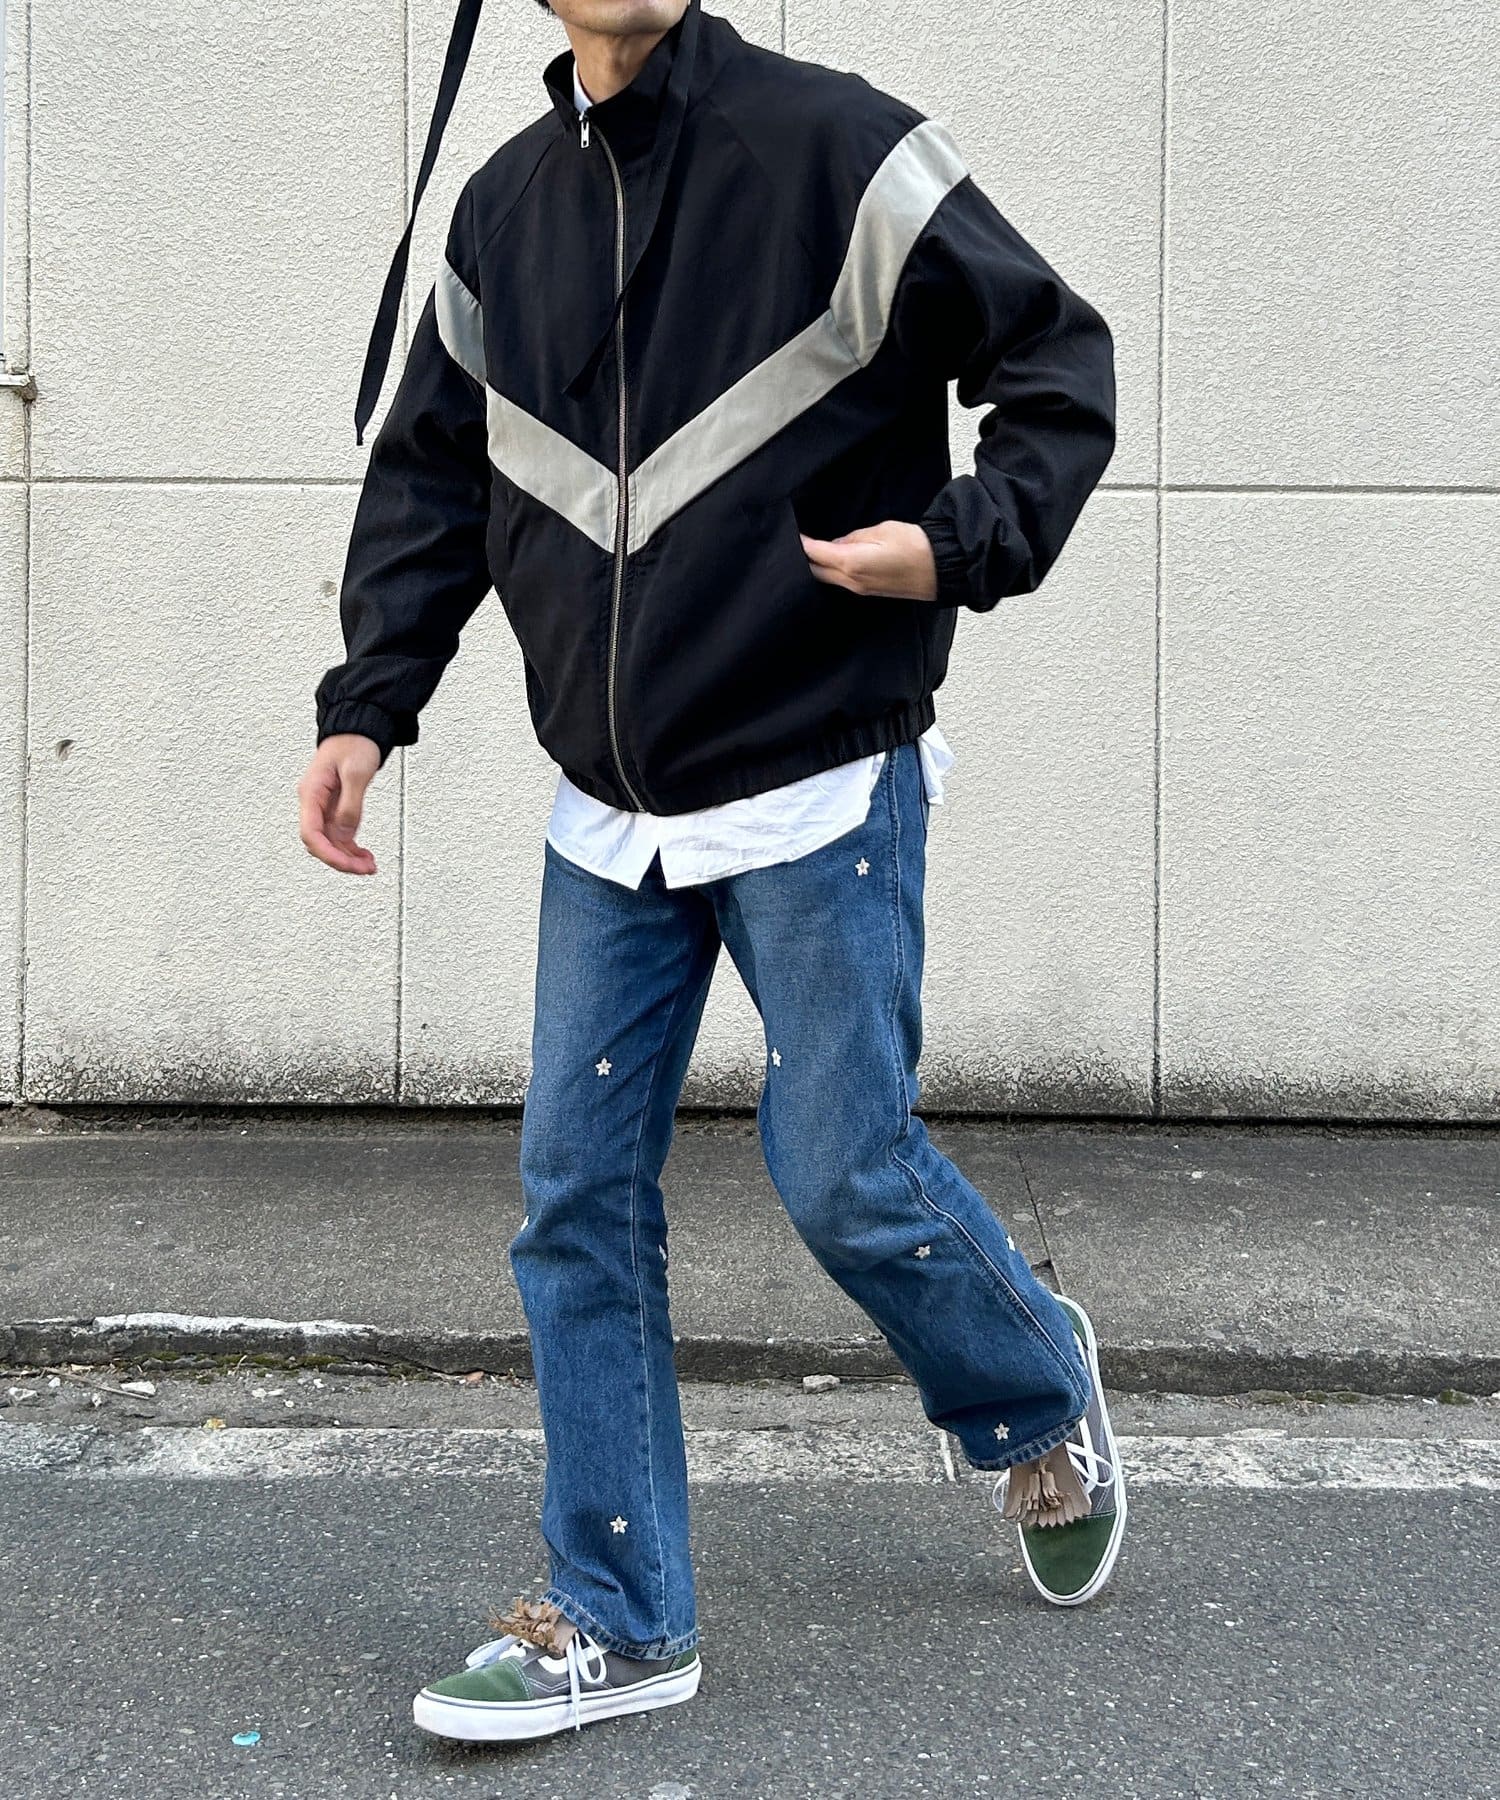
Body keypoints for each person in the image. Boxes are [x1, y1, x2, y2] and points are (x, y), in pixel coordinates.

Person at [298, 0, 1124, 1746]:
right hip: (610, 815)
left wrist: (960, 544)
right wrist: (368, 705)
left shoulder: (836, 147)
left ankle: (1034, 1382)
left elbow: (1059, 362)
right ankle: (621, 1615)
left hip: (819, 778)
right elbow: (434, 478)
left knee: (845, 1173)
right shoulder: (503, 215)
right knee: (573, 1200)